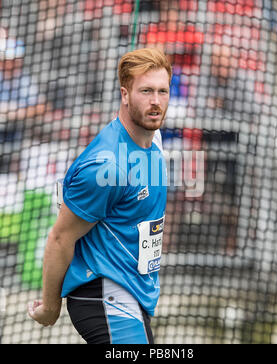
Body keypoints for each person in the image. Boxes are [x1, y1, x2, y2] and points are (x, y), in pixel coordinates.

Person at [28, 47, 172, 344]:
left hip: (136, 290)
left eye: (162, 91)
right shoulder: (107, 168)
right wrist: (50, 308)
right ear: (124, 94)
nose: (156, 102)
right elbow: (59, 238)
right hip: (105, 294)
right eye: (145, 91)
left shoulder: (153, 138)